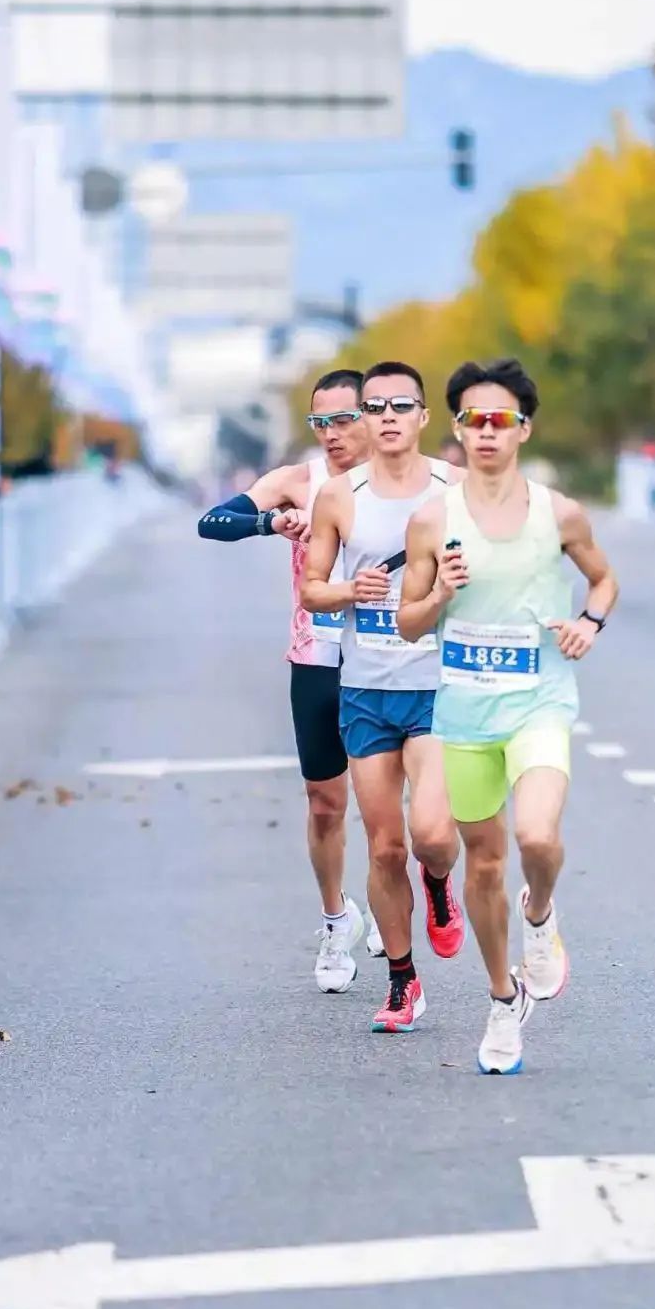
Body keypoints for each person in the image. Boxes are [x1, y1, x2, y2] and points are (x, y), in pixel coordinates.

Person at [399, 358, 619, 1074]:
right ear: (457, 430)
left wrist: (589, 621)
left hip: (539, 700)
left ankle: (541, 911)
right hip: (463, 714)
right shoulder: (432, 520)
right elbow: (406, 622)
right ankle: (502, 1001)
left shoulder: (560, 514)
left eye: (500, 421)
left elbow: (604, 578)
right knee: (484, 864)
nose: (485, 433)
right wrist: (439, 597)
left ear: (523, 428)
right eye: (472, 421)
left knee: (538, 836)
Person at [303, 361, 467, 1034]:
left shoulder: (458, 489)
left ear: (424, 417)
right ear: (364, 420)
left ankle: (438, 884)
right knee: (383, 847)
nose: (389, 417)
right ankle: (403, 981)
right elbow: (313, 588)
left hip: (438, 683)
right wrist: (351, 592)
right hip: (366, 686)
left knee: (430, 834)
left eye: (403, 405)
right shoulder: (341, 497)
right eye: (376, 407)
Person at [198, 370, 373, 994]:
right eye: (319, 422)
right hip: (318, 658)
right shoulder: (299, 482)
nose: (332, 434)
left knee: (392, 805)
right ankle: (337, 920)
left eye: (344, 419)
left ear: (374, 413)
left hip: (393, 658)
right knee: (326, 802)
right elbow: (212, 522)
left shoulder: (406, 482)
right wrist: (270, 524)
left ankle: (391, 896)